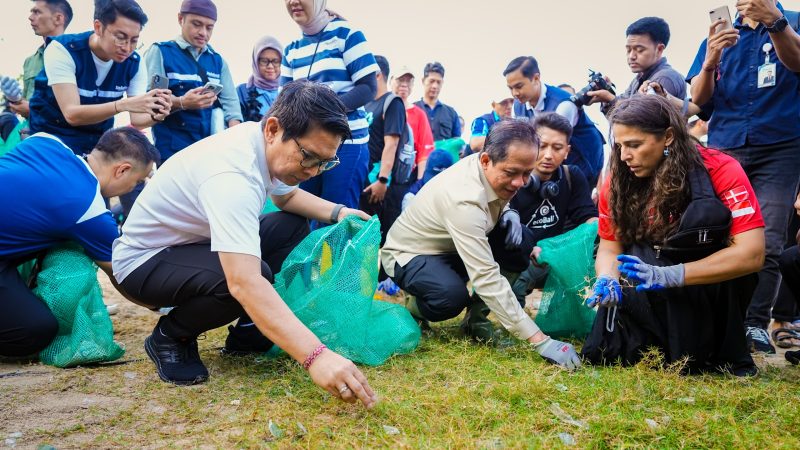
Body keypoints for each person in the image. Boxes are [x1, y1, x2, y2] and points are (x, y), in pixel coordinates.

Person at [112, 81, 377, 409]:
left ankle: (249, 332)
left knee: (288, 226)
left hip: (192, 247)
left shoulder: (261, 143)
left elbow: (287, 197)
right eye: (308, 157)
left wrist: (340, 212)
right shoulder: (233, 174)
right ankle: (172, 335)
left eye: (325, 163)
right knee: (249, 278)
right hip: (143, 263)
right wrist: (317, 357)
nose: (312, 171)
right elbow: (245, 282)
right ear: (273, 129)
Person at [581, 95, 766, 377]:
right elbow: (609, 246)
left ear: (668, 137)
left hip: (704, 280)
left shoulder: (721, 169)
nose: (623, 156)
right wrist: (607, 277)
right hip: (644, 280)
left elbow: (752, 253)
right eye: (619, 146)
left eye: (634, 145)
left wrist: (670, 275)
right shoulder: (616, 181)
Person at [381, 119, 582, 370]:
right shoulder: (464, 200)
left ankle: (477, 321)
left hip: (453, 244)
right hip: (412, 253)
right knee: (450, 298)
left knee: (522, 242)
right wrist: (540, 341)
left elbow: (498, 199)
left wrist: (510, 212)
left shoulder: (488, 168)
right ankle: (415, 308)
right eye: (511, 173)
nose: (520, 183)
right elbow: (486, 277)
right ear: (485, 160)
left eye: (526, 173)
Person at [686, 0, 800, 354]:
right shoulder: (719, 32)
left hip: (781, 145)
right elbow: (700, 100)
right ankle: (719, 318)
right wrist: (710, 61)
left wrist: (775, 22)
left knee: (767, 236)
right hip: (726, 146)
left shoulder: (792, 22)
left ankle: (754, 323)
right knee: (716, 231)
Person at [0, 127, 158, 357]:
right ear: (122, 170)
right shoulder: (88, 209)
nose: (134, 188)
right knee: (35, 330)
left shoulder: (45, 141)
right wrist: (158, 305)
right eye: (137, 182)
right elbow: (124, 274)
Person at [28, 0, 171, 156]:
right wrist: (123, 104)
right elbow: (72, 114)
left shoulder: (135, 63)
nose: (127, 47)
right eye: (120, 37)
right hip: (51, 140)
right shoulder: (62, 49)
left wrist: (157, 115)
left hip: (95, 143)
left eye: (134, 40)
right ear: (98, 27)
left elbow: (137, 120)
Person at [281, 0, 378, 214]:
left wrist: (321, 115)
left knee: (337, 218)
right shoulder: (291, 51)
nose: (293, 2)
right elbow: (284, 102)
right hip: (305, 148)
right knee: (302, 216)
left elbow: (368, 88)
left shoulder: (346, 35)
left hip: (347, 146)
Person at [508, 113, 598, 304]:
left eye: (557, 148)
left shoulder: (571, 176)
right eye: (542, 146)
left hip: (557, 257)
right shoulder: (512, 179)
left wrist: (599, 231)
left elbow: (587, 217)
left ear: (567, 151)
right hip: (518, 256)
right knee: (515, 283)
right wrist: (529, 247)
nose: (549, 155)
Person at [145, 0, 242, 163]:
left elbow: (232, 106)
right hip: (172, 150)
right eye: (196, 24)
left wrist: (236, 145)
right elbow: (152, 102)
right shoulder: (161, 52)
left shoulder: (218, 61)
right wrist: (182, 102)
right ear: (180, 19)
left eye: (209, 27)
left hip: (210, 149)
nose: (203, 32)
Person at [504, 56, 605, 187]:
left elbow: (556, 143)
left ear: (536, 78)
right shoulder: (517, 107)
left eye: (518, 86)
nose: (514, 93)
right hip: (550, 158)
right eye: (510, 88)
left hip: (582, 158)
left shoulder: (563, 105)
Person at [587, 17, 687, 111]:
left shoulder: (664, 78)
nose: (631, 56)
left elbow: (641, 122)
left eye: (639, 50)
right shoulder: (638, 79)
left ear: (659, 49)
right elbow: (617, 120)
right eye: (628, 50)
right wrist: (607, 94)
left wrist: (609, 98)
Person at [360, 55, 409, 244]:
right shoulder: (367, 104)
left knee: (377, 239)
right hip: (363, 177)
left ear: (377, 74)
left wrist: (382, 180)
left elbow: (392, 144)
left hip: (378, 182)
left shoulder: (392, 102)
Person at [5, 0, 73, 120]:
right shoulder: (30, 61)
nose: (30, 17)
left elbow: (78, 109)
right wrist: (15, 99)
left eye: (37, 12)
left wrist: (33, 110)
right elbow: (26, 102)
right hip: (30, 132)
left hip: (61, 135)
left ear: (58, 19)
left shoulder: (76, 56)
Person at [391, 65, 434, 179]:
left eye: (408, 81)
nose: (404, 84)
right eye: (400, 80)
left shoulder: (419, 115)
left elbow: (424, 154)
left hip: (405, 176)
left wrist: (419, 186)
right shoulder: (381, 108)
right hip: (377, 175)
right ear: (391, 81)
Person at [237, 35, 282, 122]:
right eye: (264, 61)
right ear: (256, 62)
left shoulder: (288, 93)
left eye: (275, 61)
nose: (270, 66)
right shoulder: (242, 92)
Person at [414, 62, 461, 141]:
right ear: (423, 81)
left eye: (438, 82)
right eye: (431, 81)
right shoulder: (412, 109)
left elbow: (457, 143)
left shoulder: (451, 113)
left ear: (442, 83)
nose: (435, 86)